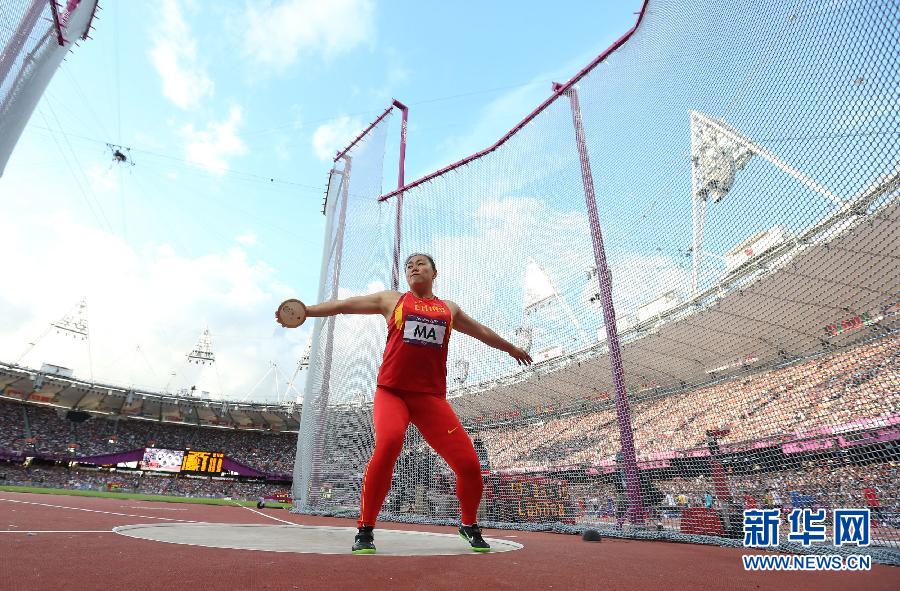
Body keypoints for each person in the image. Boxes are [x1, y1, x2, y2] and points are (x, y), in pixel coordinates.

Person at [278, 253, 532, 554]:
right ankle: (365, 529)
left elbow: (482, 332)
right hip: (392, 393)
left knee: (469, 465)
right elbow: (346, 305)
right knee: (389, 443)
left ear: (434, 273)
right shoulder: (392, 301)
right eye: (409, 265)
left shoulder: (448, 309)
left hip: (430, 399)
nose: (413, 267)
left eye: (420, 263)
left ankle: (468, 525)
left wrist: (511, 348)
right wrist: (308, 310)